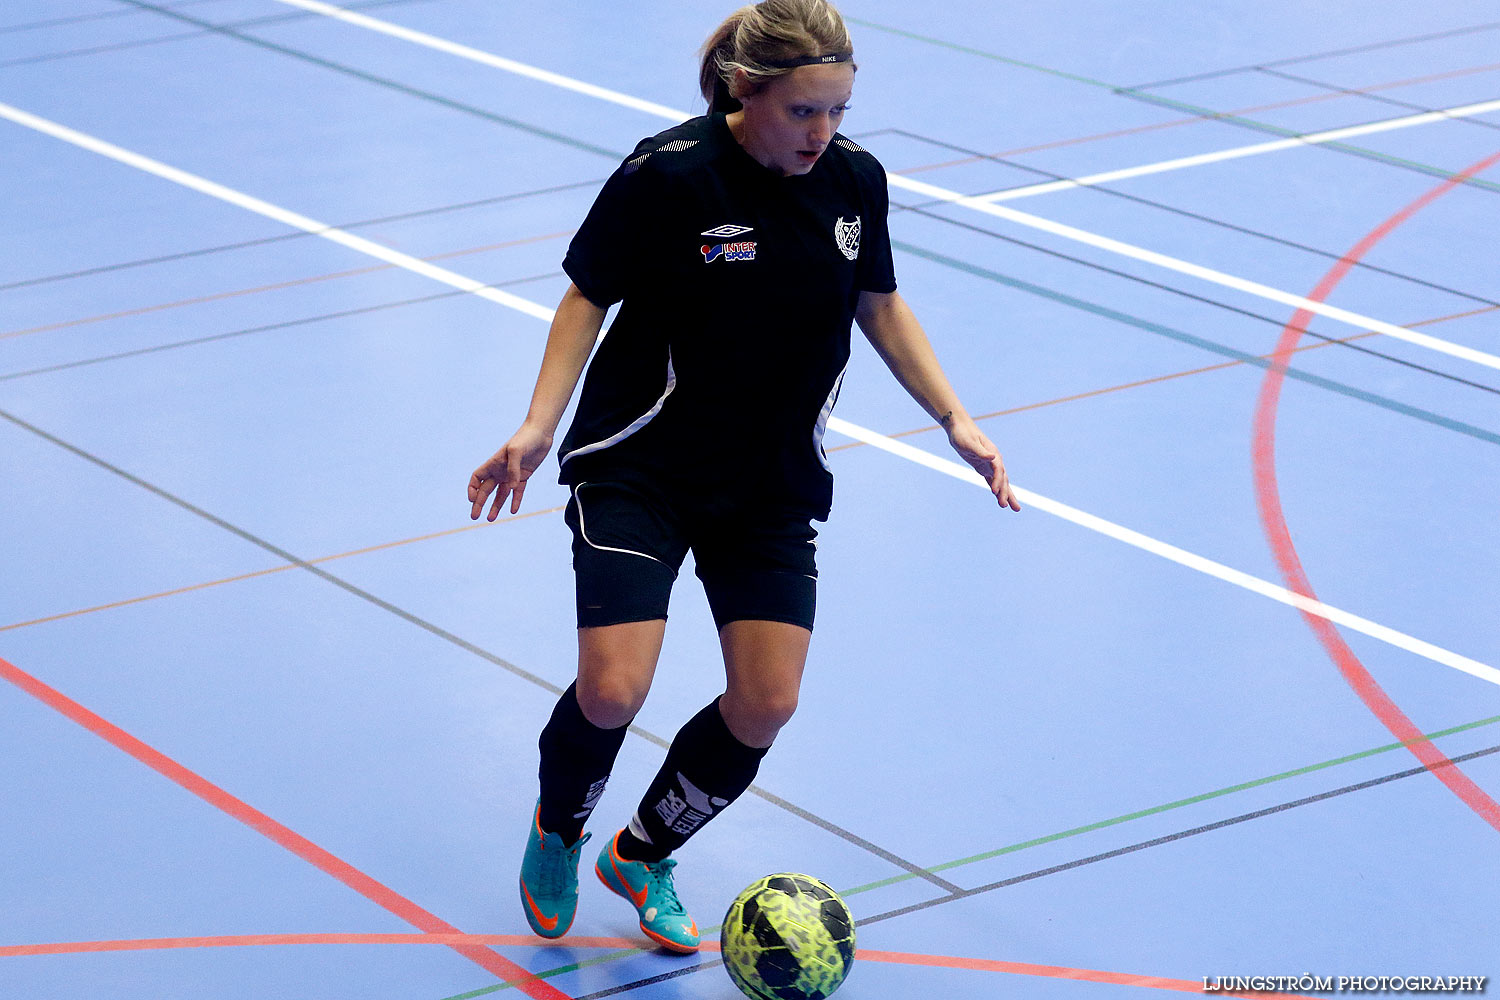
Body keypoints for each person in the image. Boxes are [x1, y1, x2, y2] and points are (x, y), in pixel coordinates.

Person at [467, 0, 1020, 955]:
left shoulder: (854, 182)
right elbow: (586, 296)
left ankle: (642, 854)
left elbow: (880, 304)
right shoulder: (668, 175)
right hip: (640, 463)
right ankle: (559, 832)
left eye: (839, 111)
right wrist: (534, 425)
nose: (824, 132)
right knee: (613, 690)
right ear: (744, 90)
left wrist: (954, 416)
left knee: (766, 703)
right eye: (804, 111)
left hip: (767, 482)